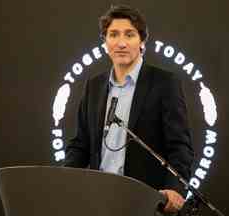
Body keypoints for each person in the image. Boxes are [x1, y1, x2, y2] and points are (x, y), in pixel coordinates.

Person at [65, 5, 194, 214]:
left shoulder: (164, 83)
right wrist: (61, 181)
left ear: (142, 42)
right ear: (105, 42)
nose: (121, 43)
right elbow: (81, 145)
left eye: (130, 34)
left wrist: (174, 189)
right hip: (99, 201)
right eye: (113, 34)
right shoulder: (94, 86)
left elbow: (180, 146)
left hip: (145, 202)